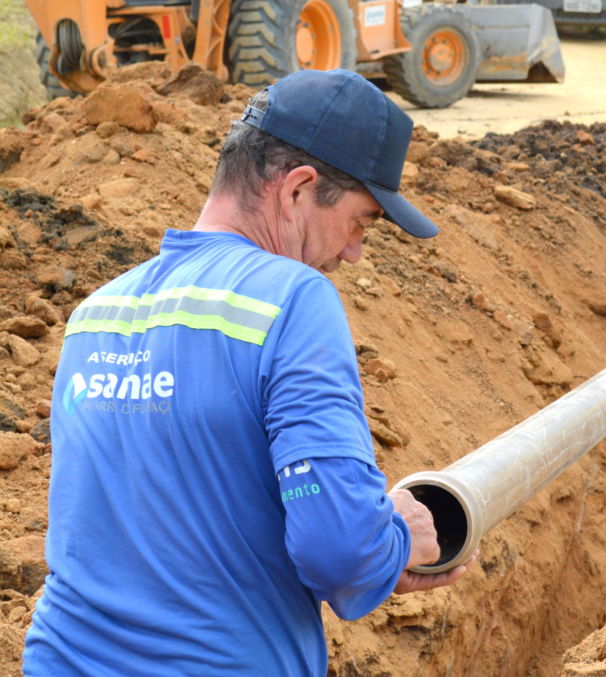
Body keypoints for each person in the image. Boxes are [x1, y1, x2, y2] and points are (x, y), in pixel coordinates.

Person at [23, 69, 470, 675]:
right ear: (298, 191)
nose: (355, 251)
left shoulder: (94, 315)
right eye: (360, 223)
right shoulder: (291, 300)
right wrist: (392, 541)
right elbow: (338, 548)